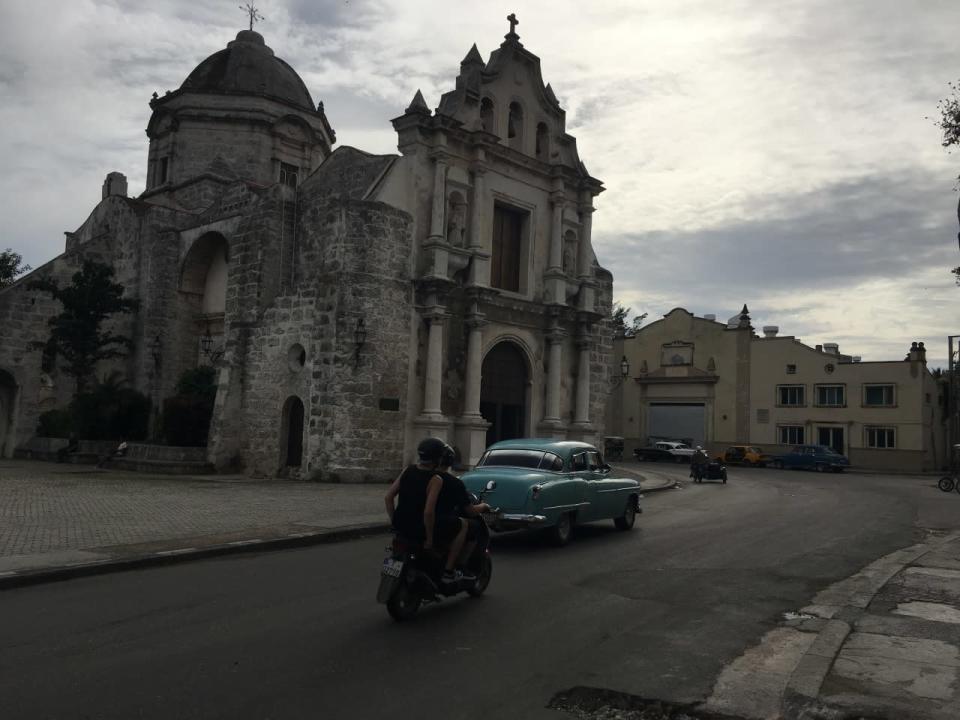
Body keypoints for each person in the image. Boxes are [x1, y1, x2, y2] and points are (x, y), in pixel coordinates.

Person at [384, 438, 469, 585]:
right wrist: (429, 539)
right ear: (438, 457)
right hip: (419, 529)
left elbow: (388, 498)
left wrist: (394, 521)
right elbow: (428, 512)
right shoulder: (435, 479)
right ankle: (448, 571)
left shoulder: (407, 470)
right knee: (463, 525)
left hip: (401, 527)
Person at [436, 446, 490, 573]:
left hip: (418, 522)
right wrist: (483, 506)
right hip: (439, 522)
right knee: (471, 527)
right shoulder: (453, 483)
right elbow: (470, 511)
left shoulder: (418, 475)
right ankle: (455, 566)